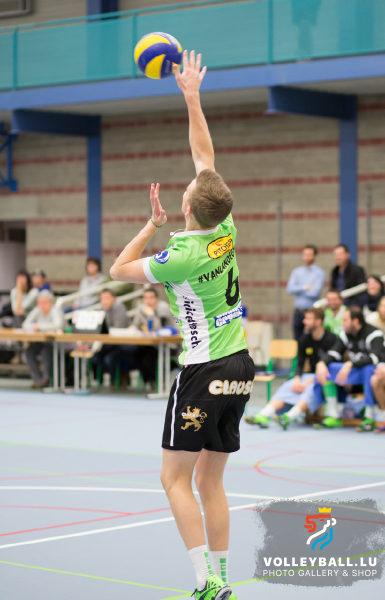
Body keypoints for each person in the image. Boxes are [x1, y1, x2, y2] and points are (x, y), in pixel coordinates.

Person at [110, 50, 254, 600]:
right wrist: (192, 96)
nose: (191, 182)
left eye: (191, 188)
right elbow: (204, 155)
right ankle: (223, 578)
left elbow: (119, 271)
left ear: (189, 206)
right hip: (240, 366)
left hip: (202, 370)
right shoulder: (225, 227)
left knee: (173, 479)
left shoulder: (181, 255)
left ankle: (205, 581)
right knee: (210, 482)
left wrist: (150, 225)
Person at [245, 308, 336, 429]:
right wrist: (297, 380)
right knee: (288, 385)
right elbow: (300, 363)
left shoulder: (332, 339)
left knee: (311, 389)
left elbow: (333, 365)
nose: (304, 321)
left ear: (318, 321)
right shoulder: (305, 339)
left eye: (308, 319)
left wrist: (306, 383)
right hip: (308, 376)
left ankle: (288, 417)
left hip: (326, 379)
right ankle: (263, 415)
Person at [315, 306, 384, 431]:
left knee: (369, 368)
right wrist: (321, 363)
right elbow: (334, 353)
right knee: (328, 368)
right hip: (354, 371)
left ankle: (369, 417)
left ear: (355, 321)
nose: (342, 323)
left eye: (345, 320)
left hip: (372, 374)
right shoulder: (346, 334)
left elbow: (375, 358)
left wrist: (350, 364)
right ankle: (333, 415)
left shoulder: (374, 333)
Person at [129, 288, 177, 390]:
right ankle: (149, 381)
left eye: (151, 297)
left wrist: (151, 314)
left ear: (157, 299)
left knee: (148, 359)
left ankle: (157, 382)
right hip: (149, 344)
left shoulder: (163, 307)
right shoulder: (141, 308)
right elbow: (135, 325)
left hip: (166, 344)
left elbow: (160, 328)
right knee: (135, 356)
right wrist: (132, 328)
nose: (148, 300)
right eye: (145, 298)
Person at [23, 290, 65, 388]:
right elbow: (25, 324)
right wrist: (33, 327)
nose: (42, 305)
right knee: (29, 351)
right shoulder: (37, 310)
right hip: (41, 341)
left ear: (51, 302)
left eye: (45, 302)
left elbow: (58, 325)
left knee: (46, 352)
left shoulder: (55, 310)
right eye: (40, 302)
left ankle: (47, 379)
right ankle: (38, 379)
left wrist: (39, 326)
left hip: (55, 342)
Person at [91, 289, 130, 388]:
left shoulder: (119, 307)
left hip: (123, 343)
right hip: (109, 343)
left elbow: (118, 328)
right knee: (95, 357)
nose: (104, 301)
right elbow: (100, 328)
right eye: (102, 299)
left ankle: (116, 379)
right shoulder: (102, 309)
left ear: (114, 298)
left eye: (107, 298)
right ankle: (115, 377)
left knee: (109, 358)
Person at [286, 245, 325, 341]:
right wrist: (304, 287)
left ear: (315, 256)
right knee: (297, 340)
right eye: (305, 254)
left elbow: (314, 293)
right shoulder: (296, 272)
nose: (307, 257)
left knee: (312, 339)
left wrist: (298, 290)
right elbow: (290, 289)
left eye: (309, 254)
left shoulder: (319, 273)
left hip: (312, 311)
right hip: (298, 311)